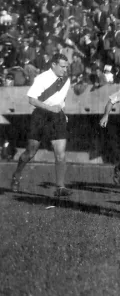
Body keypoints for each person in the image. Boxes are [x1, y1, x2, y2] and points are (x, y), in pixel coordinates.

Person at [10, 53, 72, 198]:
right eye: (62, 67)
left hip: (57, 117)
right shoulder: (42, 78)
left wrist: (63, 111)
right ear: (54, 65)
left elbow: (62, 98)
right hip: (41, 116)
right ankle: (16, 174)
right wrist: (50, 109)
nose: (65, 70)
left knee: (60, 153)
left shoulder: (66, 79)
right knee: (30, 153)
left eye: (66, 67)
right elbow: (32, 99)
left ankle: (60, 187)